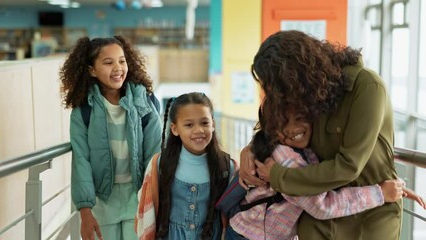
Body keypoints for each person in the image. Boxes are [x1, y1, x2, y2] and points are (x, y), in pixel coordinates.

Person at [238, 30, 405, 239]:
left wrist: (278, 176)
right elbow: (280, 130)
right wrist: (252, 150)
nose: (278, 96)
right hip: (319, 217)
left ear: (296, 73)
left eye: (278, 87)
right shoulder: (307, 93)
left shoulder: (367, 87)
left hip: (371, 214)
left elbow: (349, 166)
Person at [225, 107, 425, 240]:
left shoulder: (306, 150)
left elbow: (332, 179)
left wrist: (397, 187)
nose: (293, 127)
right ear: (273, 130)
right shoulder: (286, 158)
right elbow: (323, 204)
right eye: (283, 122)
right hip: (250, 235)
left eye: (301, 117)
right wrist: (379, 193)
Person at [59, 36, 162, 240]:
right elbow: (81, 160)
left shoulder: (144, 102)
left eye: (122, 61)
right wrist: (85, 211)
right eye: (108, 62)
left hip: (138, 196)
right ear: (92, 70)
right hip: (102, 200)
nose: (118, 68)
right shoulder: (83, 110)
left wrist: (155, 197)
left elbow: (155, 153)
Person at [135, 92, 235, 240]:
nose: (198, 130)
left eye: (204, 123)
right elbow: (146, 208)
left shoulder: (227, 167)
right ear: (174, 129)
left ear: (213, 124)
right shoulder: (159, 164)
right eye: (189, 125)